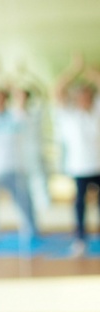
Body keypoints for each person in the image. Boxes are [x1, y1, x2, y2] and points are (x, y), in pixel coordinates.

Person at [0, 87, 39, 247]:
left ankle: (31, 231)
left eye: (1, 98)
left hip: (13, 166)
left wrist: (14, 86)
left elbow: (23, 101)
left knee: (24, 202)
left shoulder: (15, 115)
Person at [52, 53, 100, 255]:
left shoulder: (97, 111)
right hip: (79, 167)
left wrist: (88, 70)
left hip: (98, 166)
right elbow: (57, 90)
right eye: (80, 94)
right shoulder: (68, 114)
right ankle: (80, 239)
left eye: (87, 94)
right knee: (80, 206)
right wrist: (74, 70)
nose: (83, 98)